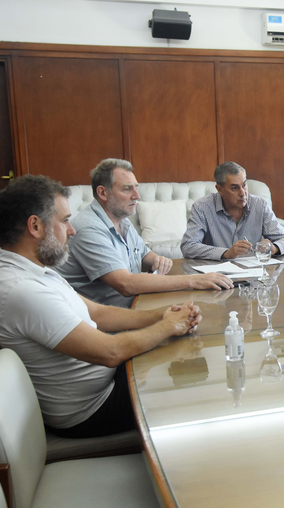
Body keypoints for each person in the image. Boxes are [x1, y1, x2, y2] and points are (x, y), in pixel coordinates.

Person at [0, 175, 201, 438]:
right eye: (64, 221)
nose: (72, 231)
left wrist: (162, 315)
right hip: (95, 408)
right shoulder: (21, 290)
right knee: (192, 383)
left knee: (187, 358)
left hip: (108, 381)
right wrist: (167, 326)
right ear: (35, 226)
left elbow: (98, 313)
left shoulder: (35, 268)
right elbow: (110, 352)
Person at [58, 159, 233, 307]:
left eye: (136, 188)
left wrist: (156, 260)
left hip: (136, 306)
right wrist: (194, 280)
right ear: (102, 193)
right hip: (106, 324)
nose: (137, 195)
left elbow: (144, 255)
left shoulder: (121, 220)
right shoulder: (89, 229)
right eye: (127, 189)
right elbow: (125, 283)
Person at [181, 162, 284, 260]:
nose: (243, 193)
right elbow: (188, 246)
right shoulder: (202, 207)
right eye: (235, 188)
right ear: (220, 189)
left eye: (244, 185)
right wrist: (226, 253)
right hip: (216, 274)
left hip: (252, 274)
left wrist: (274, 248)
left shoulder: (260, 205)